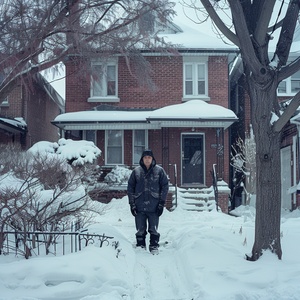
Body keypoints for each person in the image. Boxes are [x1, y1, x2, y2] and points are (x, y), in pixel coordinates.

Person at [127, 149, 169, 254]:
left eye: (149, 157)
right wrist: (132, 204)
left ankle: (154, 246)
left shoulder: (159, 171)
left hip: (154, 206)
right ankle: (140, 246)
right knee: (140, 229)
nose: (147, 160)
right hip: (139, 205)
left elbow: (165, 186)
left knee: (153, 228)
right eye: (145, 157)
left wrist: (161, 203)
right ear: (142, 159)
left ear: (152, 159)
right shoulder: (136, 171)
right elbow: (130, 188)